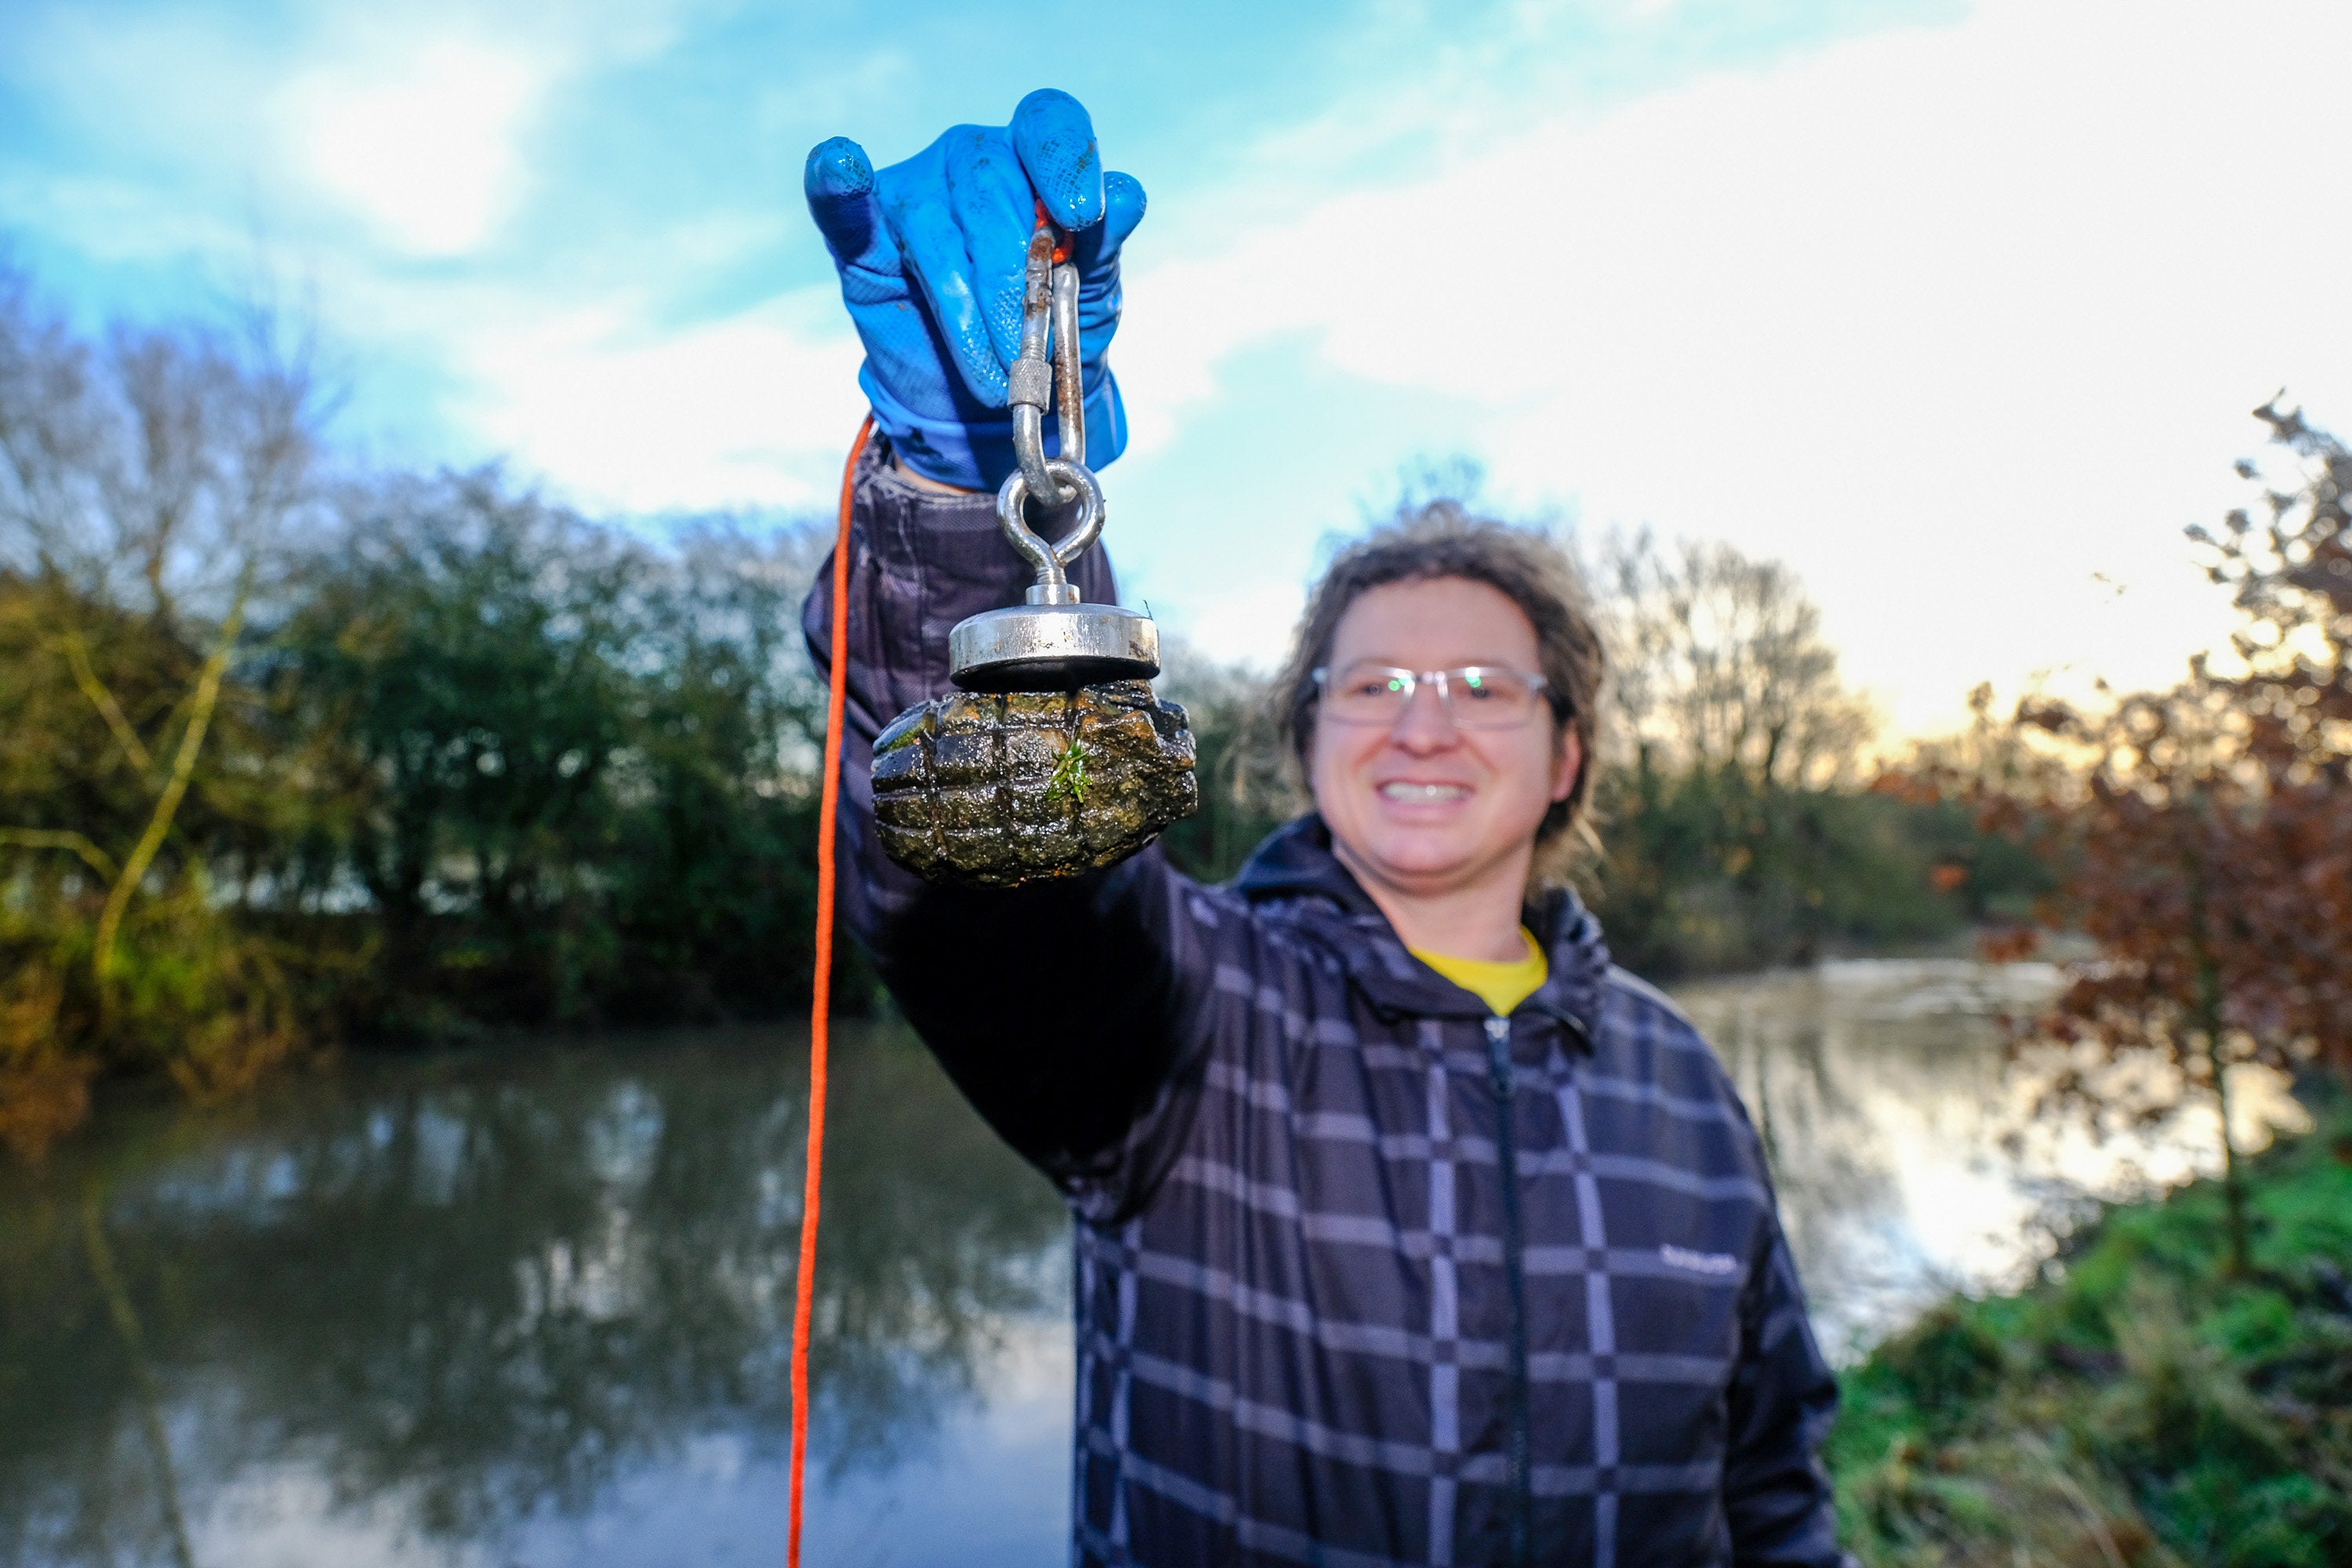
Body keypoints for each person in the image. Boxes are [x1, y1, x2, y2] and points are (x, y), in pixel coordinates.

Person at [801, 89, 1849, 1568]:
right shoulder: (1190, 1017)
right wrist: (978, 498)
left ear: (1569, 756)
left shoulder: (1686, 1082)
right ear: (1307, 738)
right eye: (1374, 684)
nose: (1425, 723)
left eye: (1484, 686)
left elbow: (1777, 1493)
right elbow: (1000, 881)